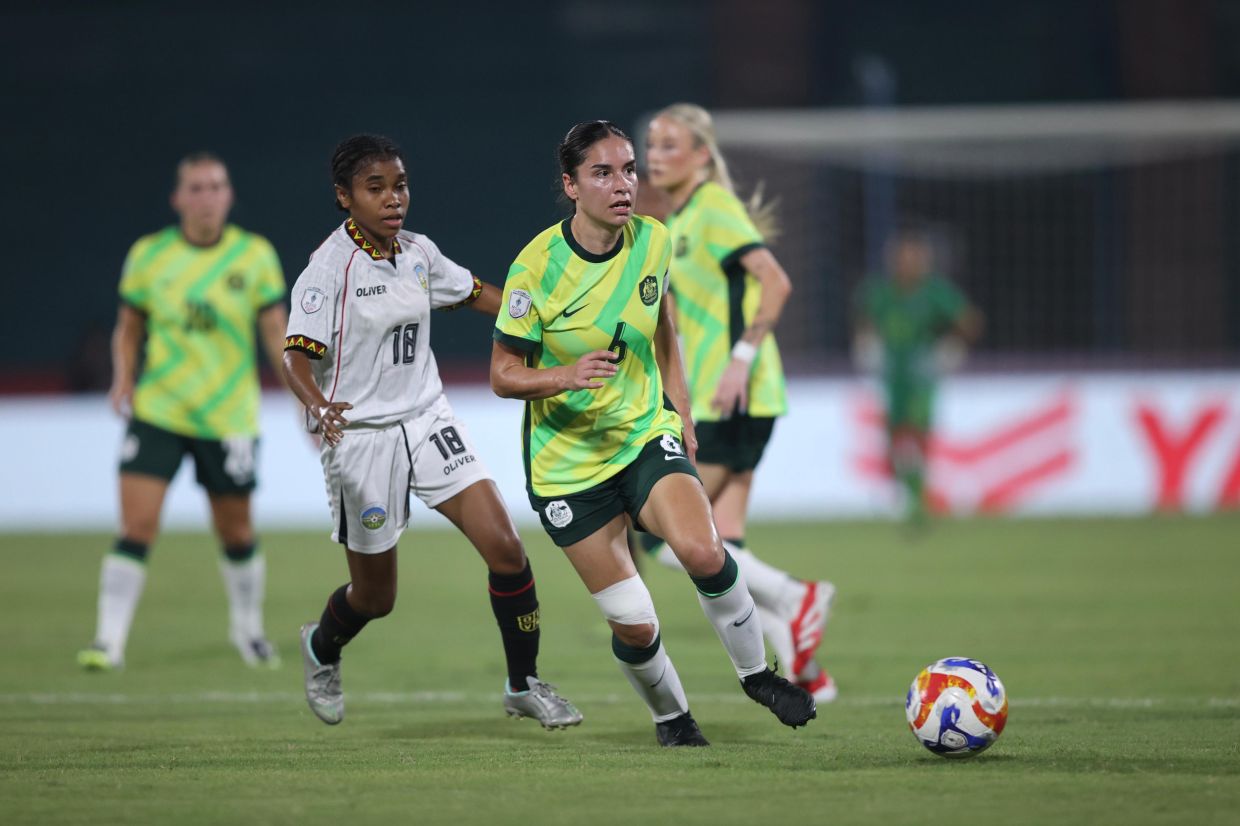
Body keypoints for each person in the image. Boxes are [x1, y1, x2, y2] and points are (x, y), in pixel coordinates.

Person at [491, 120, 816, 747]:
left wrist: (681, 412)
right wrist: (564, 375)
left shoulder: (654, 240)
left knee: (703, 551)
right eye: (603, 173)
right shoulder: (536, 268)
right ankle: (673, 719)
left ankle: (757, 676)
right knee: (635, 622)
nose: (623, 185)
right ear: (571, 185)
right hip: (568, 468)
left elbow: (662, 321)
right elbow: (503, 375)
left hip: (643, 435)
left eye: (629, 170)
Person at [282, 134, 581, 730]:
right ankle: (322, 645)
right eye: (375, 188)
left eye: (400, 185)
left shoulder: (418, 252)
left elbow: (475, 294)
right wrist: (319, 405)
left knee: (506, 547)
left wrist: (544, 322)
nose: (393, 198)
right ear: (344, 197)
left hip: (426, 419)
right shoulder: (327, 270)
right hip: (361, 438)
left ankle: (523, 684)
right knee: (376, 598)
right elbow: (295, 357)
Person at [641, 102, 838, 702]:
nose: (654, 156)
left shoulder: (713, 209)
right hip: (720, 398)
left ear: (702, 155)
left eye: (670, 145)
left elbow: (776, 281)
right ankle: (804, 668)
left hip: (735, 395)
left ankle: (797, 597)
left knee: (662, 534)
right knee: (725, 541)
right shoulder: (681, 219)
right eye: (652, 144)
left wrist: (740, 359)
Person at [78, 152, 287, 671]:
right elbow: (129, 327)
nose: (206, 197)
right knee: (136, 526)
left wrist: (306, 401)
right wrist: (123, 377)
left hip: (228, 417)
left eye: (216, 186)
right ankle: (108, 642)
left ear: (229, 195)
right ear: (177, 199)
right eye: (196, 188)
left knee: (237, 533)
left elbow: (276, 335)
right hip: (160, 410)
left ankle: (248, 631)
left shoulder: (254, 255)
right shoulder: (150, 255)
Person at [852, 226, 983, 524]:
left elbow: (970, 321)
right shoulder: (881, 292)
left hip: (922, 377)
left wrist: (951, 346)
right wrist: (866, 343)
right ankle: (906, 493)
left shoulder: (936, 292)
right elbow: (864, 319)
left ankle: (918, 496)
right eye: (902, 257)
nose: (907, 263)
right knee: (895, 433)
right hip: (892, 376)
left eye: (914, 257)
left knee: (916, 430)